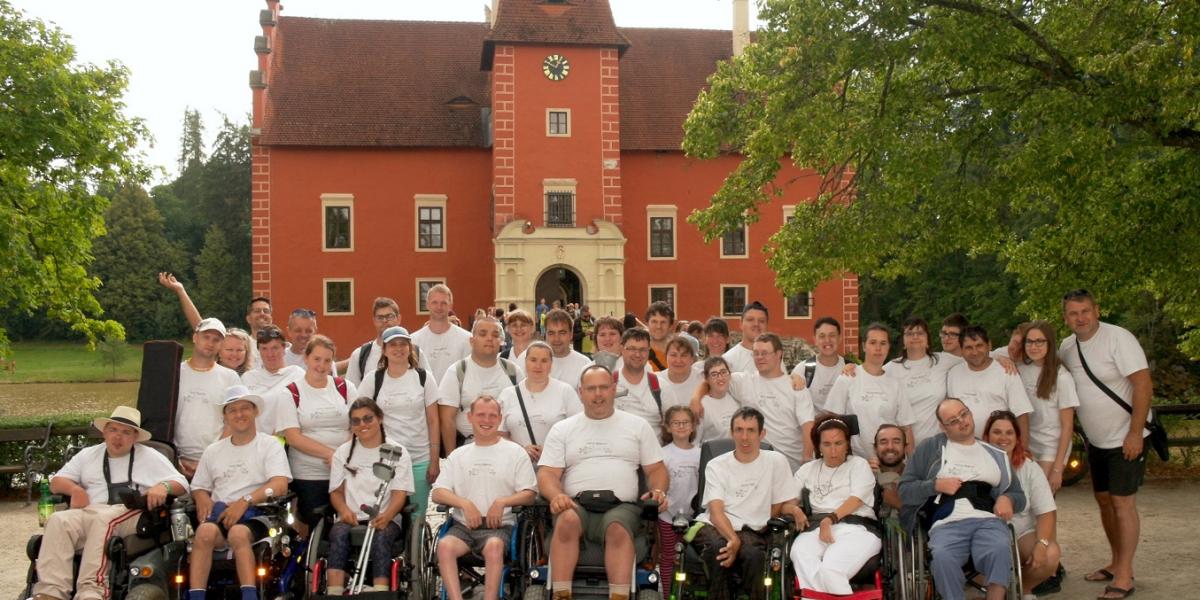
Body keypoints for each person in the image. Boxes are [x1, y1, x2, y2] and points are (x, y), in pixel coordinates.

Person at [537, 365, 669, 600]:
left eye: (604, 387)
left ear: (614, 389)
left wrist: (658, 490)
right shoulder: (563, 429)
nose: (598, 394)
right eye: (591, 388)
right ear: (581, 392)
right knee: (566, 518)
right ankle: (561, 595)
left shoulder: (637, 426)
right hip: (576, 505)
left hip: (621, 507)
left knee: (617, 528)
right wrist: (556, 495)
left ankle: (619, 596)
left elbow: (657, 468)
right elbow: (547, 473)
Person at [32, 407, 188, 600]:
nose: (118, 437)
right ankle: (50, 593)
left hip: (131, 511)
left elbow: (182, 483)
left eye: (126, 432)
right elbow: (57, 482)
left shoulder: (149, 456)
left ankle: (92, 592)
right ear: (104, 431)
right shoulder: (88, 455)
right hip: (91, 509)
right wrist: (75, 490)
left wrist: (163, 486)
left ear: (135, 436)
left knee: (105, 519)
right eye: (113, 430)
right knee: (58, 520)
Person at [1059, 289, 1153, 599]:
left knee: (1122, 503)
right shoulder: (1067, 347)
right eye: (1073, 313)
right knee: (1103, 501)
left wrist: (1135, 433)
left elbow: (1143, 384)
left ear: (1097, 310)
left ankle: (1125, 576)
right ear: (1065, 318)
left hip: (1127, 437)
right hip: (1096, 442)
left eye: (1085, 311)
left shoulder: (1118, 338)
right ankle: (1116, 562)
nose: (1080, 318)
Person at [898, 399, 1026, 600]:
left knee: (1000, 548)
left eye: (963, 414)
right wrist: (935, 485)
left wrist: (1007, 498)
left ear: (971, 413)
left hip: (987, 520)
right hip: (947, 523)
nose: (962, 421)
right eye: (953, 420)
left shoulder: (997, 455)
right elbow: (904, 490)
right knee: (941, 557)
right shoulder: (930, 449)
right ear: (943, 427)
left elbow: (1019, 496)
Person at [188, 387, 292, 600]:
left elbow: (280, 484)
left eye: (245, 408)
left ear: (256, 411)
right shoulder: (213, 451)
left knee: (238, 534)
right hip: (221, 512)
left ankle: (249, 596)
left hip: (259, 512)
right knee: (203, 534)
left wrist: (245, 501)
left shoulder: (269, 445)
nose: (239, 414)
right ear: (225, 417)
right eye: (232, 410)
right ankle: (196, 596)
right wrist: (201, 497)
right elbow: (199, 486)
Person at [433, 395, 538, 600]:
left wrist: (502, 502)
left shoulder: (515, 452)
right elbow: (438, 492)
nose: (486, 420)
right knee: (444, 545)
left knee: (494, 547)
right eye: (481, 415)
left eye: (492, 416)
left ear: (500, 419)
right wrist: (464, 503)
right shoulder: (459, 455)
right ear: (470, 417)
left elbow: (529, 495)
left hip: (500, 527)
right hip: (463, 527)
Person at [691, 407, 794, 600]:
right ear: (731, 432)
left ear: (762, 433)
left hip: (752, 530)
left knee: (753, 555)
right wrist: (733, 539)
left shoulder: (776, 461)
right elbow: (715, 511)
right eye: (739, 430)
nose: (744, 437)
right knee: (717, 548)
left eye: (751, 430)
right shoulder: (717, 465)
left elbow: (777, 506)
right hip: (716, 525)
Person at [324, 398, 414, 595]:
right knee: (337, 534)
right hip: (352, 517)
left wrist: (388, 515)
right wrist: (344, 511)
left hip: (385, 517)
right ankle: (334, 592)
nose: (362, 425)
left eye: (367, 418)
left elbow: (400, 493)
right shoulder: (343, 452)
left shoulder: (397, 452)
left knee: (381, 537)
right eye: (356, 421)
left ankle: (380, 592)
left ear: (380, 418)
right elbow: (336, 492)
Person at [785, 415, 881, 595]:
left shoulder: (858, 464)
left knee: (830, 569)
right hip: (816, 529)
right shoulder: (808, 469)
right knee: (799, 552)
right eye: (827, 444)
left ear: (847, 444)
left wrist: (830, 519)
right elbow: (785, 503)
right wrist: (793, 509)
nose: (833, 450)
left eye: (838, 443)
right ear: (819, 447)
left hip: (857, 528)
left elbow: (856, 499)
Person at [695, 333, 815, 470]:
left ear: (778, 354)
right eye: (756, 353)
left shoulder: (796, 387)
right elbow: (712, 380)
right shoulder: (743, 381)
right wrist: (695, 399)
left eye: (765, 353)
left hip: (793, 465)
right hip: (757, 467)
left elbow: (808, 425)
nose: (759, 358)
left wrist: (807, 456)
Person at [357, 326, 441, 516]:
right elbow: (361, 419)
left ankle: (416, 546)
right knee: (385, 513)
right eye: (393, 344)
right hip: (385, 459)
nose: (398, 348)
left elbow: (434, 421)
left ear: (409, 348)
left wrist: (434, 460)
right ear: (384, 350)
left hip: (419, 457)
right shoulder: (374, 380)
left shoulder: (423, 378)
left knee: (417, 514)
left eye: (403, 344)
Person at [277, 335, 356, 535]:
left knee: (349, 525)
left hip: (347, 472)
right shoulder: (291, 393)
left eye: (327, 360)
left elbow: (359, 427)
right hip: (309, 474)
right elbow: (293, 437)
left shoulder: (345, 388)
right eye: (317, 359)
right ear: (306, 358)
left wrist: (341, 457)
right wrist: (333, 455)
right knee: (317, 530)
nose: (322, 365)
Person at [983, 411, 1061, 600]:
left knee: (1050, 553)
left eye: (1009, 433)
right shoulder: (977, 464)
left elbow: (1046, 511)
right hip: (985, 537)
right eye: (997, 432)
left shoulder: (1029, 467)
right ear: (987, 436)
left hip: (1020, 534)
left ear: (1017, 438)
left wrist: (1041, 544)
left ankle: (1022, 588)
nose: (1003, 438)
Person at [824, 323, 916, 459]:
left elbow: (906, 427)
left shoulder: (895, 384)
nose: (878, 348)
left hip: (889, 462)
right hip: (856, 461)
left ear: (888, 347)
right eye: (873, 342)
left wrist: (912, 464)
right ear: (864, 346)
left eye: (883, 343)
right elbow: (832, 421)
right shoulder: (849, 377)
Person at [438, 318, 524, 455]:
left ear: (501, 341)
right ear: (472, 341)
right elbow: (446, 419)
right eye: (483, 334)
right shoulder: (457, 372)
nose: (489, 338)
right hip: (467, 452)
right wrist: (451, 458)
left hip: (508, 453)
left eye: (495, 335)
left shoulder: (513, 372)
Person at [157, 272, 269, 371]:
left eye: (266, 311)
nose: (262, 314)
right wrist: (181, 291)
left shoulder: (282, 346)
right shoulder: (238, 340)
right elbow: (201, 327)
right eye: (257, 310)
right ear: (248, 318)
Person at [174, 317, 242, 479]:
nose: (210, 343)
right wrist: (175, 460)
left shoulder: (230, 378)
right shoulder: (174, 372)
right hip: (176, 462)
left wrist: (210, 458)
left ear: (221, 345)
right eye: (206, 337)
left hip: (216, 461)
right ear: (195, 337)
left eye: (216, 340)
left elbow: (236, 421)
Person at [1017, 321, 1079, 492]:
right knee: (1026, 501)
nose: (1034, 346)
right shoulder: (1020, 370)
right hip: (1027, 445)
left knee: (1041, 497)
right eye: (1029, 341)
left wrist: (1058, 468)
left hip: (1052, 448)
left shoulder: (1062, 377)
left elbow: (1067, 427)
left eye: (1040, 341)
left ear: (1049, 343)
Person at [883, 316, 965, 445]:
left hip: (937, 444)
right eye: (910, 333)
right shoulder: (891, 368)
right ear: (903, 339)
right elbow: (867, 374)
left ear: (927, 337)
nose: (915, 337)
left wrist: (1001, 360)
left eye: (920, 333)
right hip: (902, 445)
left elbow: (978, 358)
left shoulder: (943, 361)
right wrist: (850, 367)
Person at [497, 341, 581, 463]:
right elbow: (499, 434)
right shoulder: (508, 395)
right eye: (533, 360)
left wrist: (552, 452)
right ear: (525, 362)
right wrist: (521, 451)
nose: (538, 366)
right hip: (517, 466)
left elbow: (578, 431)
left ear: (551, 364)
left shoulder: (565, 392)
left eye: (544, 361)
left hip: (555, 467)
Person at [946, 326, 1034, 441]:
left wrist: (1023, 452)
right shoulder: (954, 373)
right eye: (968, 347)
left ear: (989, 345)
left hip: (999, 446)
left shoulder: (1007, 372)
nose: (975, 352)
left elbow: (1022, 415)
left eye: (979, 345)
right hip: (964, 447)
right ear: (961, 350)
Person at [657, 406, 700, 593]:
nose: (681, 426)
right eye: (676, 422)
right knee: (668, 555)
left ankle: (688, 592)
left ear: (693, 427)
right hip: (667, 515)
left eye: (686, 422)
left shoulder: (701, 453)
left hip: (693, 518)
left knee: (691, 557)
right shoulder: (663, 453)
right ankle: (668, 593)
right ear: (668, 427)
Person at [345, 297, 429, 388]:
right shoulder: (360, 355)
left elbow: (428, 386)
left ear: (399, 319)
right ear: (375, 321)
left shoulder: (415, 352)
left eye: (389, 316)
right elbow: (352, 393)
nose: (384, 321)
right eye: (380, 317)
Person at [240, 325, 305, 435]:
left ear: (284, 348)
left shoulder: (297, 375)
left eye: (275, 348)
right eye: (264, 349)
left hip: (286, 444)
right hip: (252, 444)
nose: (270, 354)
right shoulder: (247, 378)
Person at [412, 284, 474, 384]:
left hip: (456, 398)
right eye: (434, 302)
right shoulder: (414, 340)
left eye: (444, 303)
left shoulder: (466, 339)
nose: (439, 307)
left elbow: (469, 375)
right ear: (427, 304)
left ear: (451, 306)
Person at [790, 317, 845, 412]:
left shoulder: (850, 369)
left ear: (840, 338)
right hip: (813, 425)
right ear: (815, 340)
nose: (827, 340)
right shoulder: (803, 370)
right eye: (822, 336)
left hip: (843, 425)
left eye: (832, 335)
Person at [613, 328, 665, 429]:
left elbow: (674, 422)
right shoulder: (608, 384)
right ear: (622, 349)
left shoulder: (661, 386)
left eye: (643, 350)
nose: (637, 354)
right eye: (632, 348)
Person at [695, 356, 740, 443]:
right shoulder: (701, 407)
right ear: (707, 379)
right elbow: (695, 443)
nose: (720, 378)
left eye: (723, 372)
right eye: (714, 375)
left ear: (730, 375)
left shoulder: (735, 397)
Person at [544, 308, 592, 387]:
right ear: (545, 335)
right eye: (551, 333)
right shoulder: (531, 362)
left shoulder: (585, 365)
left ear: (571, 334)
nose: (557, 339)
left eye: (562, 333)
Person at [656, 335, 704, 408]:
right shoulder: (655, 380)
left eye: (683, 355)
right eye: (673, 355)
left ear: (692, 358)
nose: (678, 360)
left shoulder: (703, 378)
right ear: (666, 357)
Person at [722, 302, 769, 375]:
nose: (756, 324)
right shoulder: (729, 360)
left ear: (767, 325)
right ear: (741, 324)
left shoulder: (774, 357)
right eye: (750, 320)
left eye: (761, 321)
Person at [872, 424, 907, 520]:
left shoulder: (918, 478)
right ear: (875, 448)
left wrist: (899, 504)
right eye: (883, 442)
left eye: (896, 441)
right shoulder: (865, 475)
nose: (890, 447)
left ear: (904, 448)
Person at [645, 301, 675, 372]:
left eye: (663, 322)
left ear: (670, 326)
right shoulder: (640, 354)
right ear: (647, 324)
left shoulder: (678, 354)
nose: (658, 326)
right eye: (654, 322)